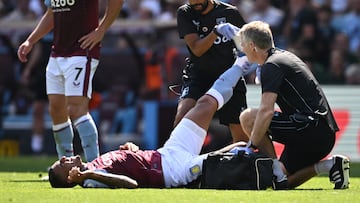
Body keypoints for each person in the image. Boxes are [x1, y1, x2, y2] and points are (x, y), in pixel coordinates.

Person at [48, 51, 255, 188]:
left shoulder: (94, 163)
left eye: (61, 159)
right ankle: (268, 163)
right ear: (69, 177)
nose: (65, 158)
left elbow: (131, 167)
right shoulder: (92, 181)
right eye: (63, 164)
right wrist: (87, 176)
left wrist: (132, 152)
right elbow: (131, 184)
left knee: (205, 104)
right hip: (174, 173)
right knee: (232, 150)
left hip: (167, 152)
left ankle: (242, 63)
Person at [230, 21, 350, 189]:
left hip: (310, 128)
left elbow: (266, 112)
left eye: (243, 44)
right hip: (321, 134)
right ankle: (330, 165)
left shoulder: (271, 65)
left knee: (248, 117)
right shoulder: (284, 56)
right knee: (280, 184)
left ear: (252, 46)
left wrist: (252, 146)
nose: (241, 48)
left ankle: (274, 168)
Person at [17, 0, 124, 161]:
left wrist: (101, 30)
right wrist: (31, 40)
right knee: (56, 111)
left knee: (76, 109)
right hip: (58, 52)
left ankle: (96, 166)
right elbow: (52, 13)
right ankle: (65, 165)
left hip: (82, 50)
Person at [174, 0, 248, 143]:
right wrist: (216, 31)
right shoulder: (185, 13)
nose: (195, 2)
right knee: (181, 118)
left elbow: (247, 42)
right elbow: (197, 49)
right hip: (199, 74)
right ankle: (178, 162)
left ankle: (245, 163)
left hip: (228, 76)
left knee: (240, 135)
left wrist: (248, 62)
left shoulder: (230, 12)